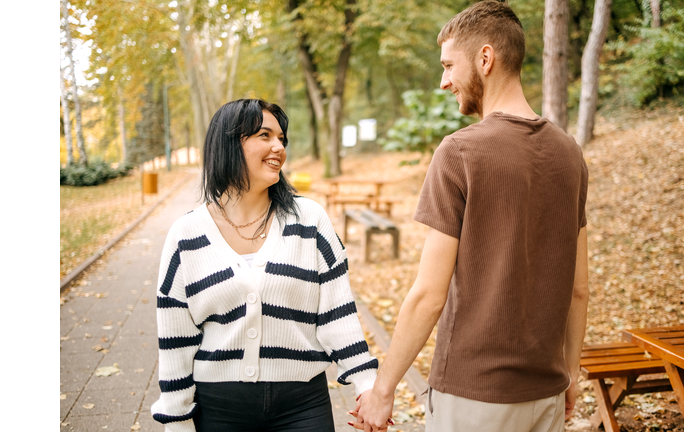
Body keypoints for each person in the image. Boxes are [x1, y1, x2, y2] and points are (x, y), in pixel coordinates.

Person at [354, 1, 589, 431]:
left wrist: (383, 390)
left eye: (448, 65)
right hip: (548, 395)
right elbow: (578, 290)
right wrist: (570, 374)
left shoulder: (459, 152)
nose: (443, 81)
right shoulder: (570, 154)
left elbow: (429, 295)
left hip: (472, 398)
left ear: (485, 58)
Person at [150, 99, 379, 432]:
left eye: (282, 138)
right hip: (218, 409)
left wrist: (367, 385)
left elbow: (337, 314)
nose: (279, 147)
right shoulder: (186, 235)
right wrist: (177, 420)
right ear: (228, 144)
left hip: (303, 406)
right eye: (264, 135)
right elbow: (176, 341)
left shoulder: (310, 220)